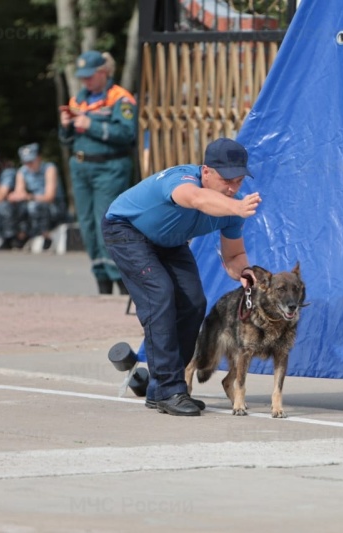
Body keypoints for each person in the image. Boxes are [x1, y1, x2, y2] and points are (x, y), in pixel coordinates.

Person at [102, 138, 261, 417]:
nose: (233, 188)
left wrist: (246, 273)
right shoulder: (182, 179)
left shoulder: (230, 208)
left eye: (238, 181)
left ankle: (160, 390)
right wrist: (235, 207)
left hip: (170, 242)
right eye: (227, 180)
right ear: (206, 172)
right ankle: (169, 389)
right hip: (127, 231)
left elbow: (234, 256)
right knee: (160, 294)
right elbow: (196, 199)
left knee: (194, 303)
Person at [59, 50, 137, 294]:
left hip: (109, 167)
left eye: (90, 76)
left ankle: (121, 282)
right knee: (87, 226)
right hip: (81, 167)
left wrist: (91, 125)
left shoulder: (120, 99)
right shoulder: (78, 99)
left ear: (104, 73)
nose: (86, 82)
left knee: (106, 222)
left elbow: (128, 135)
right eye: (82, 77)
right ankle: (101, 280)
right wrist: (65, 127)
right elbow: (67, 140)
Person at [8, 143, 68, 251]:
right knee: (15, 206)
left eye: (31, 161)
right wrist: (16, 196)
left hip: (54, 206)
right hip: (33, 204)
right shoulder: (23, 171)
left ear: (39, 158)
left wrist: (29, 197)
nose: (28, 165)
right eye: (25, 162)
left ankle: (46, 236)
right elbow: (19, 192)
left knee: (34, 206)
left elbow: (49, 196)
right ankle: (21, 235)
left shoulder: (49, 169)